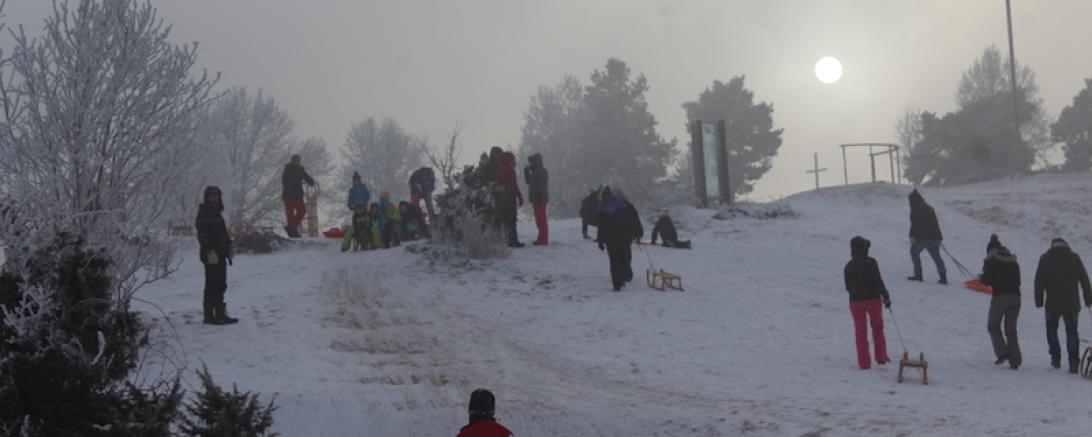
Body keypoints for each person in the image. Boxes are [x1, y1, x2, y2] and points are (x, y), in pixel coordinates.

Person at [1033, 238, 1092, 373]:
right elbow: (1084, 279)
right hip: (1071, 303)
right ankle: (1073, 363)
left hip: (1052, 303)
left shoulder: (1045, 259)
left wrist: (1039, 301)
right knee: (1072, 332)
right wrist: (1088, 299)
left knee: (1051, 330)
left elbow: (1038, 281)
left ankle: (1056, 358)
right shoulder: (1074, 258)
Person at [843, 236, 890, 369]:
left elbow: (848, 287)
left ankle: (864, 362)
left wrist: (856, 293)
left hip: (855, 302)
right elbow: (878, 281)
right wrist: (886, 297)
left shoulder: (848, 266)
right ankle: (881, 357)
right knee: (877, 328)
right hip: (873, 300)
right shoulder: (871, 262)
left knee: (860, 332)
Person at [195, 186, 238, 325]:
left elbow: (222, 233)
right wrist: (209, 251)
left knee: (221, 284)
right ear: (207, 197)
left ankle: (220, 313)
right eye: (212, 196)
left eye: (217, 196)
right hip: (211, 255)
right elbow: (202, 235)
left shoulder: (217, 213)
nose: (215, 198)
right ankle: (209, 315)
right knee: (211, 284)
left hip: (221, 254)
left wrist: (229, 245)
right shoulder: (204, 213)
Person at [980, 235, 1021, 369]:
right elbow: (1018, 281)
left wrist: (981, 278)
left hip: (1000, 297)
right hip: (1016, 297)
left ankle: (1002, 353)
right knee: (1011, 329)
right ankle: (1015, 360)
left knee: (993, 325)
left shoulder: (991, 260)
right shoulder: (1013, 261)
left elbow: (986, 280)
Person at [597, 187, 642, 291]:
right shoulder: (622, 206)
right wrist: (637, 233)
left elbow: (601, 226)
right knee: (624, 257)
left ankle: (616, 284)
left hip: (610, 238)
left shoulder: (603, 207)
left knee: (614, 261)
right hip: (624, 237)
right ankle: (623, 277)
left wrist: (600, 240)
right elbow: (633, 220)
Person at [907, 189, 947, 284]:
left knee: (914, 252)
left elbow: (915, 224)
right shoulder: (929, 208)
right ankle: (943, 277)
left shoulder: (915, 208)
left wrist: (912, 236)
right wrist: (939, 237)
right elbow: (936, 223)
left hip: (922, 237)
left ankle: (918, 274)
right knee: (936, 256)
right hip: (934, 236)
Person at [281, 154, 315, 238]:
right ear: (292, 161)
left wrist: (311, 182)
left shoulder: (300, 170)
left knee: (301, 211)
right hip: (290, 195)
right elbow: (284, 182)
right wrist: (298, 183)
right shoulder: (288, 169)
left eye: (298, 161)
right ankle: (293, 232)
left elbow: (308, 178)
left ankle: (291, 228)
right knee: (291, 215)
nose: (297, 162)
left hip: (295, 195)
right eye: (296, 161)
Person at [495, 151, 524, 248]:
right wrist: (519, 196)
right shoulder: (510, 171)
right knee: (512, 221)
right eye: (512, 159)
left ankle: (507, 240)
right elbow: (514, 185)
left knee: (506, 221)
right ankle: (513, 241)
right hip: (510, 198)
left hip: (502, 200)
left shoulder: (499, 170)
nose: (514, 161)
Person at [523, 153, 549, 245]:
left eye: (533, 162)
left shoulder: (543, 171)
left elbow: (540, 182)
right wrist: (526, 171)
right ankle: (541, 238)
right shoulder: (536, 172)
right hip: (536, 198)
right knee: (539, 220)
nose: (531, 164)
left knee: (542, 219)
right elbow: (528, 181)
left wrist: (532, 170)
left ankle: (544, 239)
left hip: (541, 198)